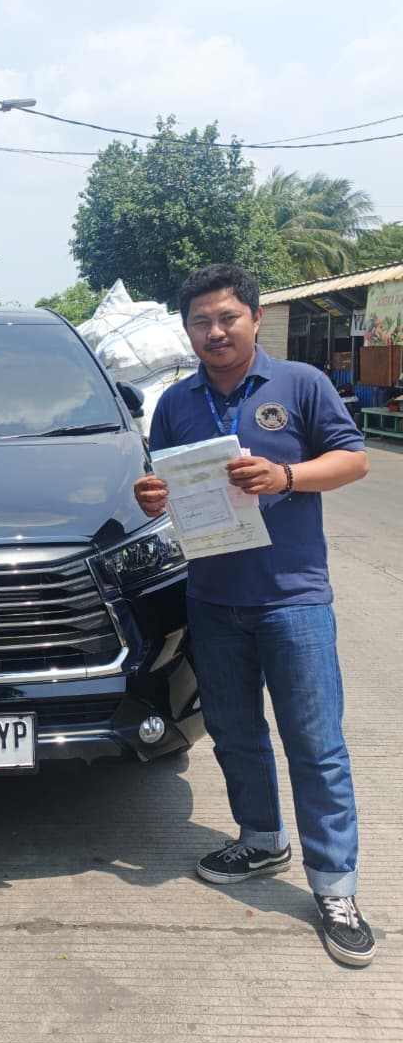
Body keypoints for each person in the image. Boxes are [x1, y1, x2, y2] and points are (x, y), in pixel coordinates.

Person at [134, 263, 375, 967]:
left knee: (315, 745)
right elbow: (165, 484)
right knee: (235, 734)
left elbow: (354, 460)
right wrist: (152, 497)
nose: (215, 332)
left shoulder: (300, 384)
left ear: (255, 318)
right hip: (212, 598)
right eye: (200, 322)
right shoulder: (175, 402)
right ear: (187, 331)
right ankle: (262, 840)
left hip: (292, 598)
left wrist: (286, 475)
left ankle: (335, 886)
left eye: (227, 318)